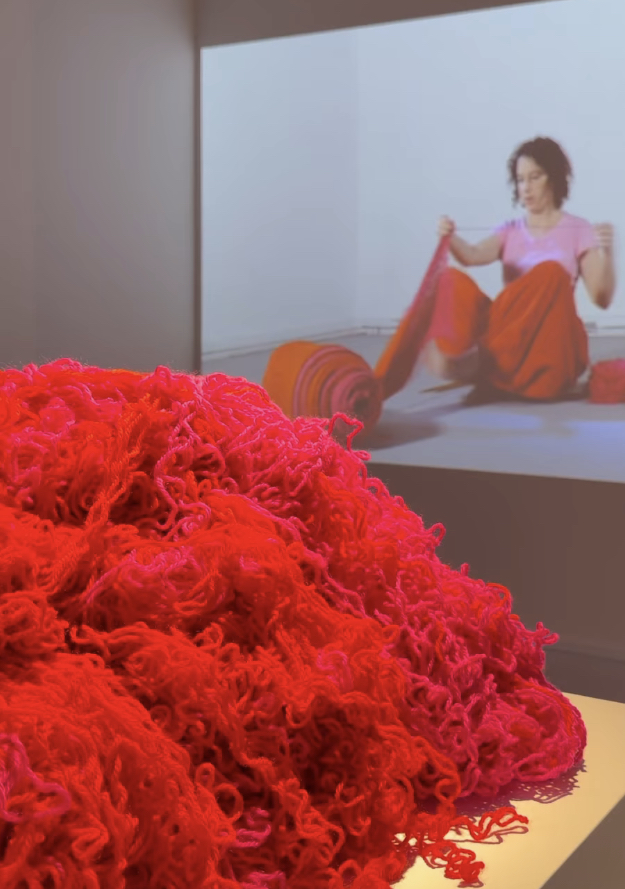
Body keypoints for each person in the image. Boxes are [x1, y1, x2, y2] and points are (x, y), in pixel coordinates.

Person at [425, 137, 616, 401]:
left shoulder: (579, 229)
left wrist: (609, 253)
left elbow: (601, 298)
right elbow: (472, 256)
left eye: (535, 177)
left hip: (549, 347)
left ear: (555, 178)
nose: (526, 187)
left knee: (550, 274)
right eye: (520, 179)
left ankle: (483, 363)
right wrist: (450, 237)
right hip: (509, 339)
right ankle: (480, 360)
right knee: (451, 279)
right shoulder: (510, 230)